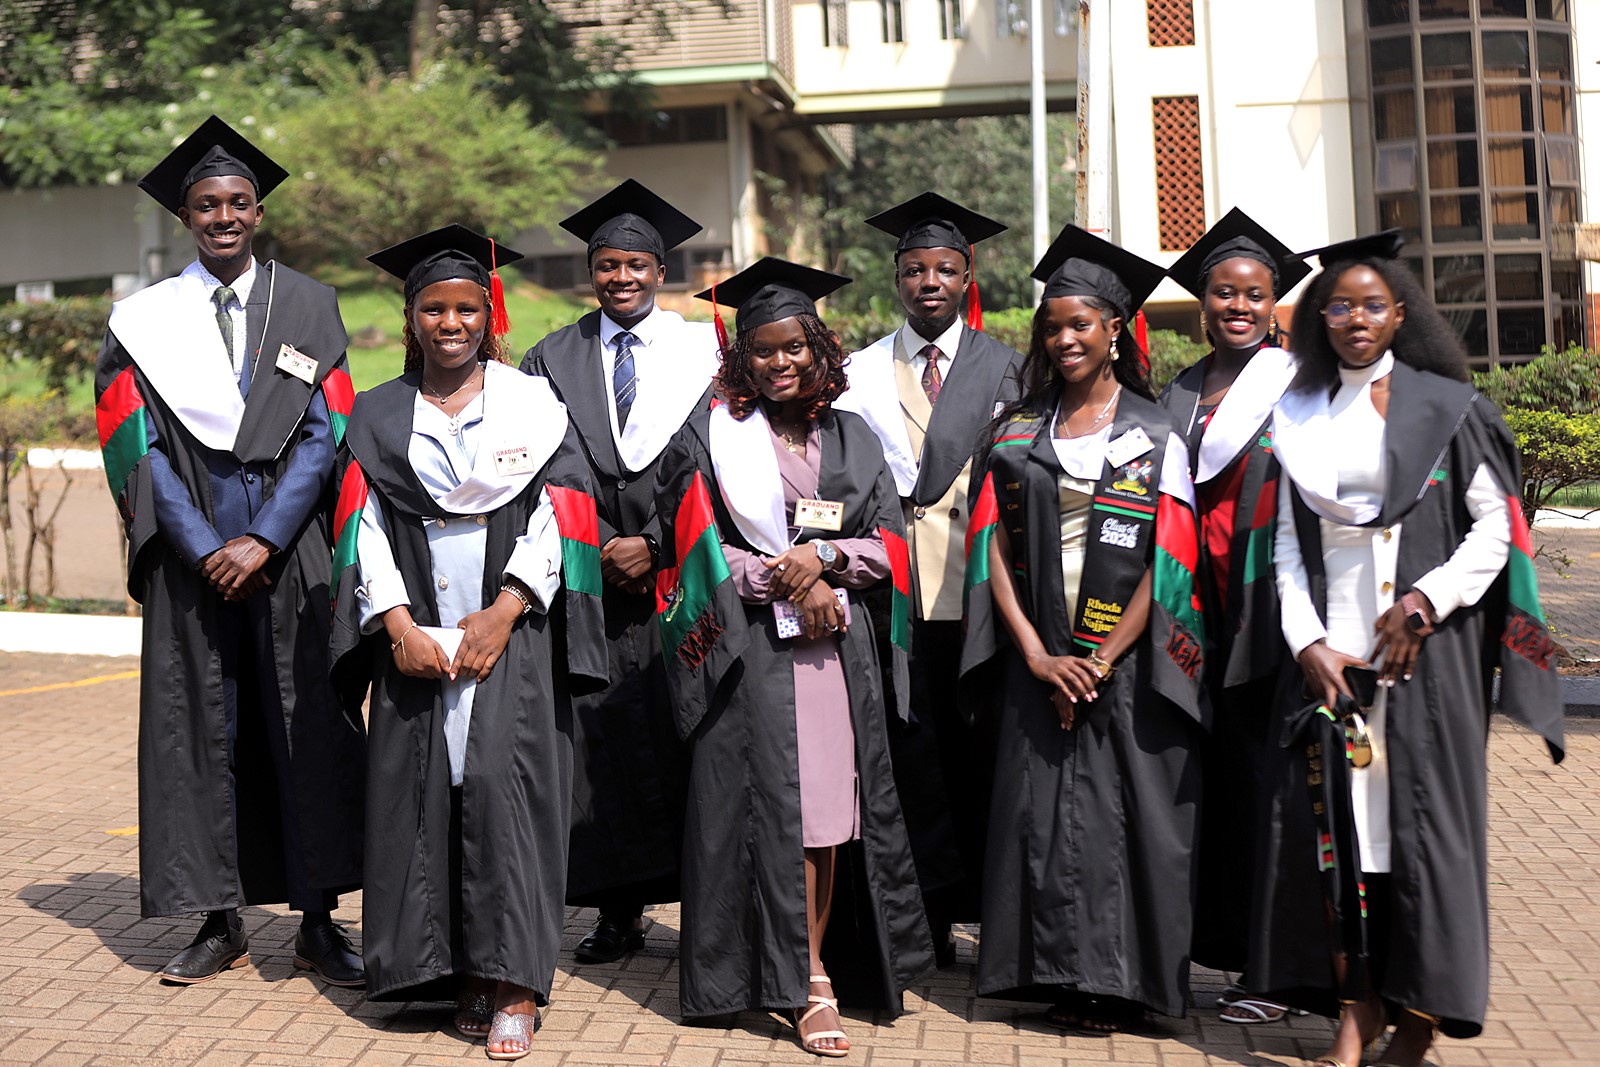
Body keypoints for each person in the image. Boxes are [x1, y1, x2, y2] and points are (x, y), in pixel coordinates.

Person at [1254, 230, 1565, 1067]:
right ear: (1321, 317)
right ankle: (1357, 1009)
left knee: (1425, 830)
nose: (1355, 317)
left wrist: (1423, 604)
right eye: (1340, 305)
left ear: (1401, 314)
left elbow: (1495, 529)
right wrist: (1309, 642)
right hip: (1335, 656)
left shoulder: (1445, 405)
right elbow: (1288, 547)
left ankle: (1422, 1014)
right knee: (1346, 835)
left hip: (1427, 659)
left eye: (1372, 304)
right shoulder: (1298, 412)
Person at [93, 115, 365, 987]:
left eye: (238, 201)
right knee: (203, 729)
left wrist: (263, 536)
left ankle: (321, 917)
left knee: (309, 721)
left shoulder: (311, 304)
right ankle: (220, 918)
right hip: (190, 553)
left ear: (257, 211)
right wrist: (207, 542)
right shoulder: (142, 320)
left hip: (290, 553)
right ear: (185, 215)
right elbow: (134, 444)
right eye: (207, 203)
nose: (223, 216)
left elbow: (329, 434)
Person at [329, 226, 608, 1060]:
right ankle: (456, 972)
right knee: (430, 799)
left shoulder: (532, 404)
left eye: (465, 308)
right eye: (433, 308)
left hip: (507, 631)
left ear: (489, 315)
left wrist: (507, 607)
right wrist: (397, 623)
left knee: (506, 795)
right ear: (409, 316)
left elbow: (568, 511)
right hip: (414, 634)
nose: (450, 322)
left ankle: (517, 983)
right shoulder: (376, 413)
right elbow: (359, 524)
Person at [653, 257, 934, 1056]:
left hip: (832, 655)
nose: (781, 363)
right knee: (753, 814)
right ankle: (785, 978)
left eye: (794, 348)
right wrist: (779, 576)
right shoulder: (710, 435)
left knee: (823, 819)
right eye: (763, 350)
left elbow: (889, 540)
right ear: (741, 356)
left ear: (818, 349)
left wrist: (826, 564)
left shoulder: (852, 434)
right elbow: (685, 542)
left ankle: (810, 968)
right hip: (748, 654)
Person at [959, 226, 1206, 1033]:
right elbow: (988, 542)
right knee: (1037, 812)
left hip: (1119, 659)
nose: (1064, 338)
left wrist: (1099, 657)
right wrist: (1033, 650)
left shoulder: (1155, 433)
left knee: (1118, 814)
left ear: (1114, 331)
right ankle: (1054, 973)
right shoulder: (1017, 428)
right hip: (1039, 652)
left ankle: (1119, 978)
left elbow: (1170, 561)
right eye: (1053, 325)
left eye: (1081, 324)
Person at [520, 180, 718, 964]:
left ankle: (703, 902)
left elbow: (721, 465)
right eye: (607, 264)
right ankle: (617, 907)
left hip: (679, 581)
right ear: (590, 270)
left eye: (636, 263)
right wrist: (601, 543)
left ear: (660, 268)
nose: (622, 277)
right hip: (588, 576)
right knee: (600, 742)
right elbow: (538, 460)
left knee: (689, 733)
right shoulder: (552, 355)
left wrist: (659, 545)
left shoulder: (705, 350)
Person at [834, 192, 1021, 962]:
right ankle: (929, 914)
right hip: (893, 600)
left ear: (968, 273)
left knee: (982, 754)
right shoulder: (860, 370)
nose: (930, 281)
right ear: (898, 277)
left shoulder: (1007, 364)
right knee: (913, 757)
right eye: (915, 269)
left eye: (945, 268)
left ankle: (991, 908)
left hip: (978, 592)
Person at [1160, 208, 1310, 1025]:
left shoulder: (1299, 383)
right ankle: (1224, 953)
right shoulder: (1182, 388)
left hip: (1271, 615)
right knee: (1208, 788)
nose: (1238, 306)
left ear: (1275, 301)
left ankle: (1278, 971)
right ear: (1203, 301)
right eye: (1223, 293)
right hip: (1196, 615)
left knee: (1267, 790)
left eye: (1254, 293)